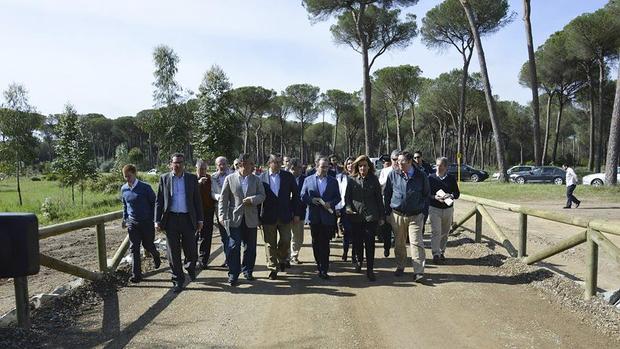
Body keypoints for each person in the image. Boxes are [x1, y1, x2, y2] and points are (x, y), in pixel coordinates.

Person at [155, 153, 204, 293]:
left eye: (180, 162)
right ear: (170, 164)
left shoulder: (191, 178)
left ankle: (190, 266)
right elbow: (159, 201)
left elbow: (197, 201)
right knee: (173, 251)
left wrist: (200, 219)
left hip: (188, 219)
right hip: (170, 220)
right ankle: (177, 279)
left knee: (191, 249)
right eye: (175, 162)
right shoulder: (164, 178)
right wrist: (157, 220)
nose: (178, 165)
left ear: (184, 164)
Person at [218, 153, 266, 286]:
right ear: (239, 164)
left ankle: (248, 270)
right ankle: (233, 273)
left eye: (249, 163)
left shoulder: (256, 180)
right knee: (233, 246)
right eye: (244, 163)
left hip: (251, 218)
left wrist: (253, 200)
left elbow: (262, 195)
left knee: (250, 247)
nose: (247, 166)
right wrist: (221, 215)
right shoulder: (230, 178)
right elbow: (223, 199)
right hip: (234, 218)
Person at [384, 151, 430, 282]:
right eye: (397, 161)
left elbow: (426, 195)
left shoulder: (421, 176)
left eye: (402, 161)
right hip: (397, 215)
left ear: (410, 162)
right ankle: (400, 266)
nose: (399, 163)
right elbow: (387, 194)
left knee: (416, 243)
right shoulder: (393, 174)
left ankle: (418, 272)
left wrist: (424, 214)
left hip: (416, 215)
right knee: (399, 243)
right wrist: (387, 213)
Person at [258, 154, 300, 280]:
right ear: (269, 163)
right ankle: (272, 268)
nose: (276, 164)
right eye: (274, 162)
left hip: (285, 215)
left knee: (286, 240)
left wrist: (296, 213)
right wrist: (257, 217)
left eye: (278, 162)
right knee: (270, 244)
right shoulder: (261, 178)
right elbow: (257, 198)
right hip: (267, 216)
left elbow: (296, 195)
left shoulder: (288, 176)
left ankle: (282, 259)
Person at [345, 155, 385, 281]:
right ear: (357, 166)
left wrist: (381, 216)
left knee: (369, 243)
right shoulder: (351, 180)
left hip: (370, 217)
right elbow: (348, 198)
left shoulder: (374, 180)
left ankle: (370, 269)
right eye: (360, 165)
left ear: (369, 167)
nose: (362, 168)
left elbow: (379, 199)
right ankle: (359, 261)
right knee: (357, 243)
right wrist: (348, 208)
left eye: (365, 165)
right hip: (356, 216)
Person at [301, 157, 340, 279]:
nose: (325, 169)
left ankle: (324, 268)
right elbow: (302, 196)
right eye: (322, 166)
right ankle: (318, 264)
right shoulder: (308, 180)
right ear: (316, 166)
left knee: (325, 243)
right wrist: (311, 200)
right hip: (314, 217)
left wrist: (331, 203)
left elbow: (338, 197)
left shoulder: (333, 181)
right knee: (316, 243)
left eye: (327, 167)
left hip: (327, 217)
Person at [121, 164, 161, 283]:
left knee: (148, 245)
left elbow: (154, 203)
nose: (127, 179)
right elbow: (125, 205)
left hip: (147, 222)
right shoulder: (124, 189)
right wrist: (125, 219)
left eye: (129, 176)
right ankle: (136, 275)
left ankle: (155, 254)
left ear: (134, 174)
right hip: (132, 223)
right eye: (125, 177)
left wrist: (155, 220)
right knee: (134, 248)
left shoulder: (145, 188)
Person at [428, 157, 460, 264]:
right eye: (437, 165)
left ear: (446, 167)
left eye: (440, 165)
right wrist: (434, 197)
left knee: (445, 233)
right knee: (436, 231)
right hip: (434, 209)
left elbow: (457, 194)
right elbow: (426, 194)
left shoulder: (451, 178)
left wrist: (450, 195)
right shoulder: (430, 178)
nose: (438, 167)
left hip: (448, 209)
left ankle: (441, 252)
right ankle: (436, 254)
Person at [378, 149, 401, 258]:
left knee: (398, 231)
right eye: (394, 159)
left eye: (398, 159)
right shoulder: (385, 171)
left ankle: (398, 252)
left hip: (399, 206)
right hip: (386, 203)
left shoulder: (403, 171)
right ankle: (386, 247)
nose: (396, 162)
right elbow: (380, 185)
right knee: (386, 230)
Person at [212, 156, 233, 267]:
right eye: (220, 164)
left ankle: (234, 259)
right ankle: (228, 259)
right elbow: (211, 192)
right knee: (224, 236)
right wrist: (218, 196)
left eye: (224, 163)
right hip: (219, 209)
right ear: (216, 165)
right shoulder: (213, 177)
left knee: (233, 235)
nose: (222, 166)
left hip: (233, 208)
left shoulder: (233, 175)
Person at [196, 159, 217, 269]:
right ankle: (191, 259)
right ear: (196, 169)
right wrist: (198, 183)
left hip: (208, 211)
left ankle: (203, 260)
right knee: (193, 237)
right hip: (194, 213)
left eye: (204, 169)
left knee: (206, 236)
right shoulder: (192, 179)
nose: (203, 171)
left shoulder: (210, 179)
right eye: (200, 169)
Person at [335, 157, 355, 262]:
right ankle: (345, 252)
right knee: (347, 232)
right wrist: (337, 208)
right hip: (344, 208)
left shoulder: (358, 176)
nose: (350, 165)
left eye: (352, 163)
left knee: (356, 233)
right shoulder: (340, 177)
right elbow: (339, 193)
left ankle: (354, 255)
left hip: (356, 209)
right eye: (348, 164)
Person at [288, 158, 307, 265]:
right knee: (286, 236)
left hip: (300, 212)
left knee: (298, 236)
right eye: (299, 167)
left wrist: (298, 213)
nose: (302, 169)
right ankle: (285, 257)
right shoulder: (285, 177)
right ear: (292, 168)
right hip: (286, 212)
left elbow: (305, 197)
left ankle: (294, 256)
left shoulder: (305, 179)